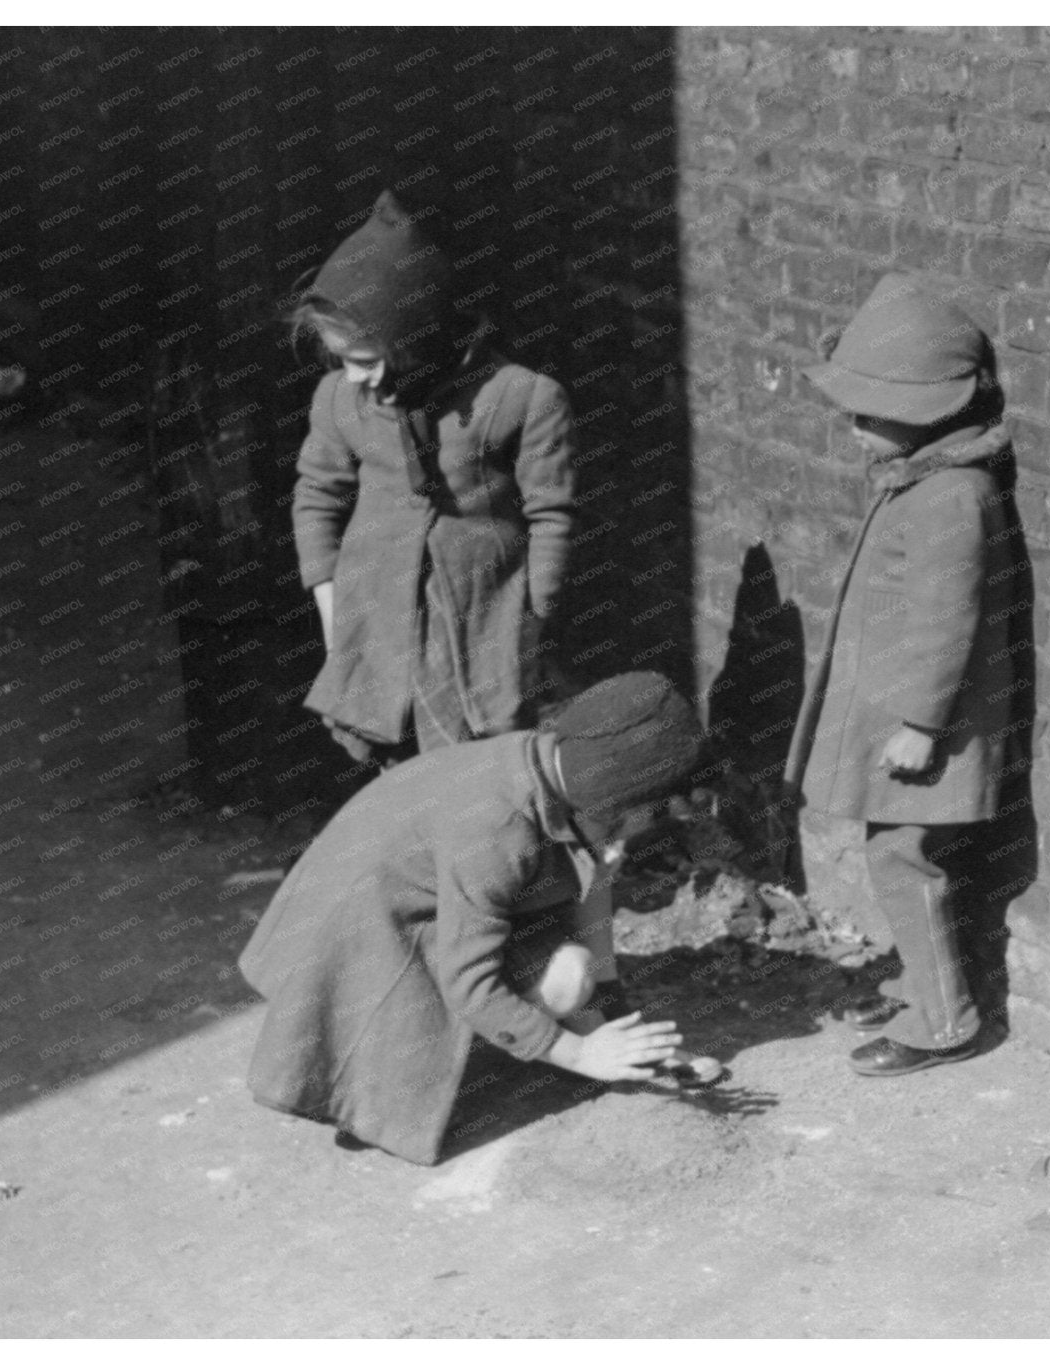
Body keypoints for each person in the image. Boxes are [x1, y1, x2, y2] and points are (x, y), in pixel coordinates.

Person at [238, 672, 708, 1166]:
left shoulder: (547, 762)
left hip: (415, 885)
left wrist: (615, 1027)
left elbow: (594, 898)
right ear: (615, 793)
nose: (651, 824)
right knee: (407, 1073)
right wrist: (580, 1054)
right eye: (651, 809)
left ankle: (521, 1030)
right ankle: (377, 1058)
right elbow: (469, 981)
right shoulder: (497, 831)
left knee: (572, 973)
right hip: (362, 926)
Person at [784, 273, 1029, 1079]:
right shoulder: (925, 481)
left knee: (903, 862)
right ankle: (916, 982)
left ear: (927, 413)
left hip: (928, 732)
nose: (852, 429)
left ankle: (943, 1018)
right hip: (906, 725)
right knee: (894, 855)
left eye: (868, 413)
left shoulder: (950, 498)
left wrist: (922, 726)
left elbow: (946, 620)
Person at [284, 189, 575, 767]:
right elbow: (316, 498)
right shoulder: (342, 400)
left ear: (414, 341)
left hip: (479, 626)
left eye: (366, 359)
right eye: (341, 359)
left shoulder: (523, 396)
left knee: (475, 774)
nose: (354, 376)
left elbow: (552, 516)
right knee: (395, 779)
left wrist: (530, 625)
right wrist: (334, 616)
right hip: (380, 622)